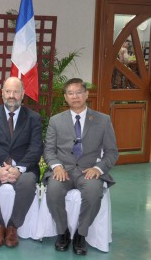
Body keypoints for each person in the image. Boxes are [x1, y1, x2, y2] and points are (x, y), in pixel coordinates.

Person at [43, 78, 118, 256]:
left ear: (86, 94)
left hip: (88, 171)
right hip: (63, 171)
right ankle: (63, 232)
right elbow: (49, 150)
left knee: (93, 193)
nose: (75, 96)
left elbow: (112, 152)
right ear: (65, 97)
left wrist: (98, 169)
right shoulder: (56, 120)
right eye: (70, 93)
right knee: (53, 191)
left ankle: (81, 234)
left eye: (78, 92)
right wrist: (56, 167)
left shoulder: (103, 120)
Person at [0, 77, 43, 248]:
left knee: (28, 182)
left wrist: (19, 169)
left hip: (23, 168)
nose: (11, 95)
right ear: (2, 93)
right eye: (8, 91)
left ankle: (13, 226)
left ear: (22, 94)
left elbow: (35, 148)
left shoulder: (33, 118)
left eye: (15, 91)